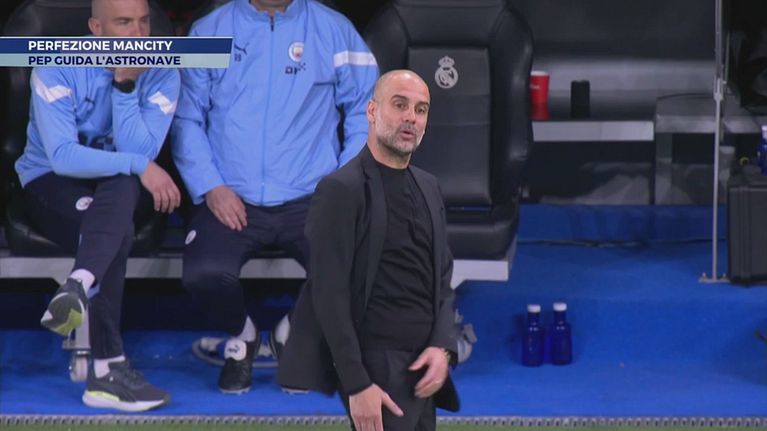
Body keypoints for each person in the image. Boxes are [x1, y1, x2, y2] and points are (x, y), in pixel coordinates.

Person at [171, 0, 378, 394]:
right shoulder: (209, 31)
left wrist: (342, 184)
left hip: (312, 195)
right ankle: (243, 337)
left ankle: (293, 335)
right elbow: (186, 118)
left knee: (357, 265)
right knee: (204, 274)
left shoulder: (334, 30)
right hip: (230, 195)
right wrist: (211, 186)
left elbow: (367, 111)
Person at [17, 0, 180, 412]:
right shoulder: (56, 64)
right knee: (113, 223)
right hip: (51, 181)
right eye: (124, 23)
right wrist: (139, 166)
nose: (138, 35)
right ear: (96, 27)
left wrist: (125, 86)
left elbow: (141, 150)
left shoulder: (163, 69)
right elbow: (63, 157)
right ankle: (107, 369)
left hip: (119, 188)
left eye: (144, 22)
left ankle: (78, 285)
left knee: (117, 195)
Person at [278, 70, 460, 431]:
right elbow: (328, 294)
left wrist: (442, 347)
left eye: (421, 109)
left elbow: (442, 275)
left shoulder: (429, 186)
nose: (411, 117)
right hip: (376, 365)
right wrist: (357, 384)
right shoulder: (340, 190)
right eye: (400, 105)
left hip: (423, 366)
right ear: (372, 111)